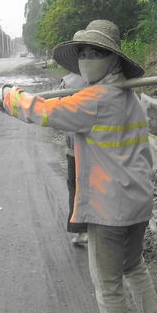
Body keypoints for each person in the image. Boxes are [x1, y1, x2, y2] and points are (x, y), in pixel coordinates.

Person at [0, 19, 157, 313]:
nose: (88, 59)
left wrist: (8, 96)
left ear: (113, 58)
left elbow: (45, 112)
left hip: (109, 208)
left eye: (96, 53)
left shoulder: (94, 99)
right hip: (138, 203)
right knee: (133, 266)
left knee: (107, 282)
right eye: (84, 53)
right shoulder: (130, 96)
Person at [58, 72, 89, 246]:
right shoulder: (107, 79)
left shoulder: (67, 82)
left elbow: (57, 112)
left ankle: (81, 230)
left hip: (75, 148)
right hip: (100, 148)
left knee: (76, 188)